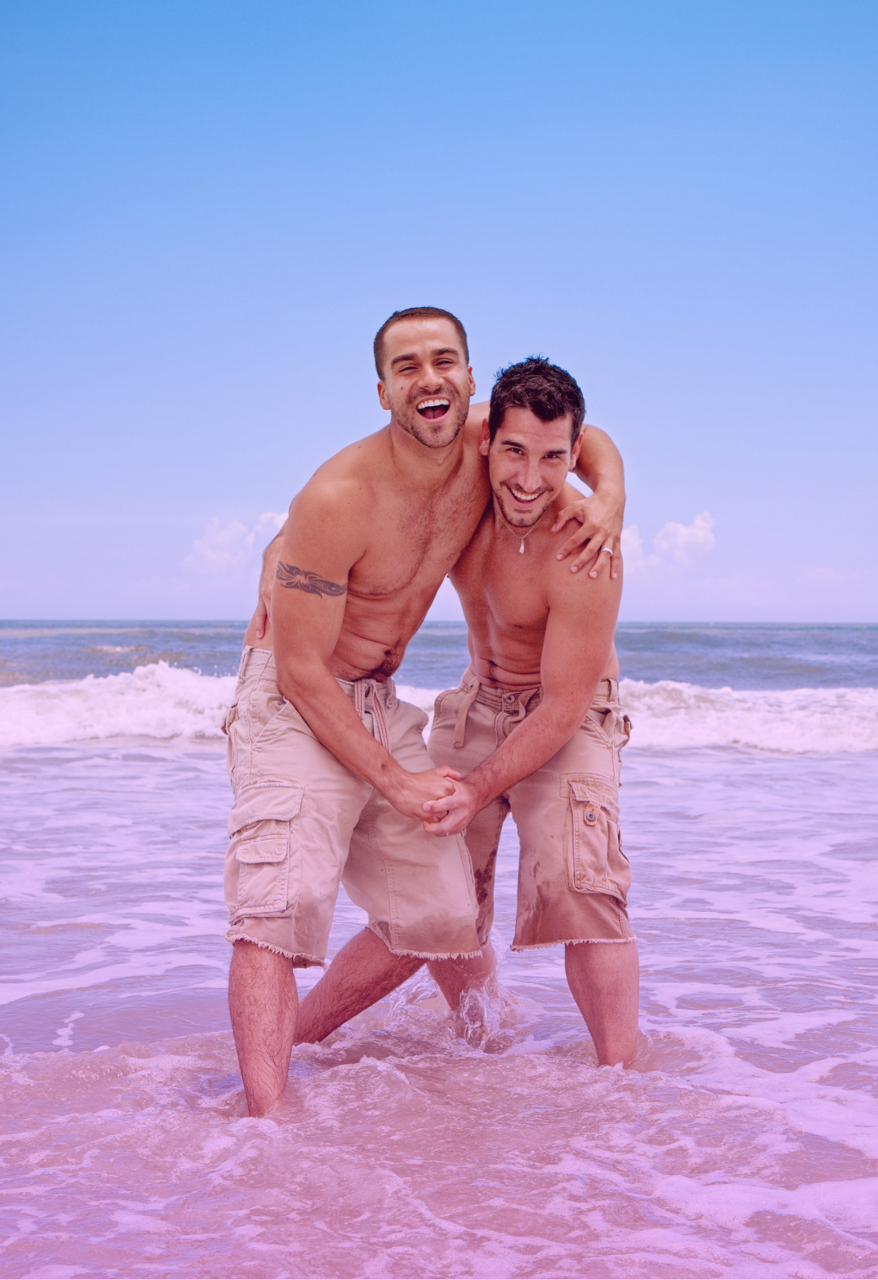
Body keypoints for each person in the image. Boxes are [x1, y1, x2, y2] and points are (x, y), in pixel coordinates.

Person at [224, 308, 625, 1116]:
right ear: (382, 392)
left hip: (376, 698)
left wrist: (612, 493)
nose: (428, 378)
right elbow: (301, 672)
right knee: (280, 910)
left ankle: (312, 1038)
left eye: (444, 361)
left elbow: (582, 436)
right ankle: (263, 1128)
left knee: (445, 915)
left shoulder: (493, 449)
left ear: (471, 384)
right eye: (406, 367)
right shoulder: (340, 493)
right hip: (298, 696)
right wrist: (402, 786)